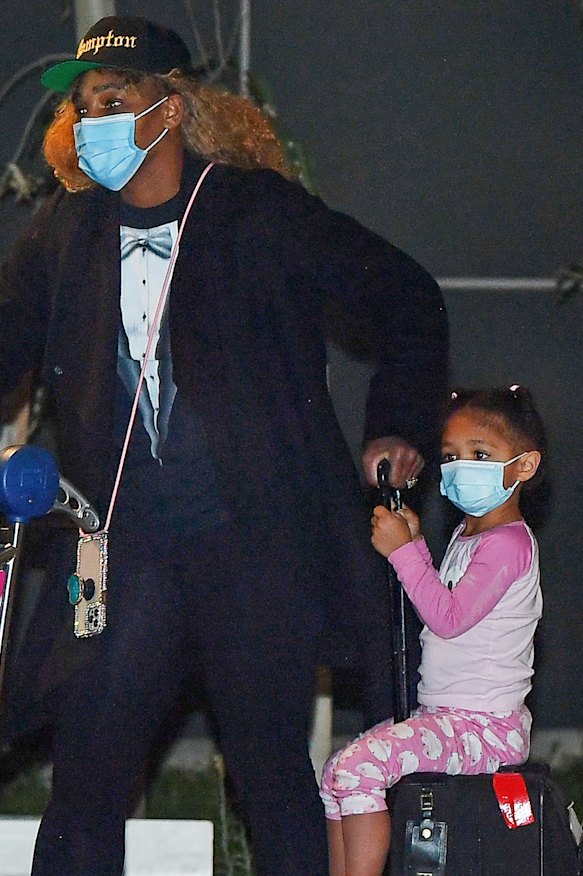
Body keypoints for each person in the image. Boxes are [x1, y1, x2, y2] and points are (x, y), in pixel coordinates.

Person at [0, 14, 448, 876]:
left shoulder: (253, 213)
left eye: (113, 98)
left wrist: (394, 419)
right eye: (83, 105)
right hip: (122, 551)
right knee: (87, 772)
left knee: (271, 773)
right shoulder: (70, 231)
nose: (90, 121)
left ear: (169, 109)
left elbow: (405, 296)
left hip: (252, 545)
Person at [320, 384, 545, 876]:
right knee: (339, 770)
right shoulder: (471, 535)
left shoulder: (508, 545)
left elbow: (447, 618)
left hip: (485, 729)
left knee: (360, 768)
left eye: (480, 454)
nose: (462, 465)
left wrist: (402, 552)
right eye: (451, 455)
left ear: (523, 466)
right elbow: (441, 607)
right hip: (449, 717)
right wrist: (416, 545)